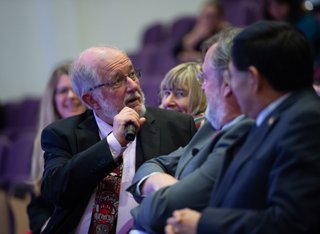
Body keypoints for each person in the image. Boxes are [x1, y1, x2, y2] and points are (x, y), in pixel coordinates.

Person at [165, 20, 320, 234]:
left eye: (230, 76)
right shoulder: (276, 116)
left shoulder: (305, 123)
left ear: (253, 78)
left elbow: (291, 222)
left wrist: (202, 223)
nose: (230, 88)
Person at [39, 46, 196, 234]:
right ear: (91, 100)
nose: (133, 86)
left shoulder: (176, 126)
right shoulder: (62, 133)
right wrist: (113, 143)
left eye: (133, 74)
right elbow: (56, 191)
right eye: (117, 81)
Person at [127, 27, 254, 234]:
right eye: (165, 93)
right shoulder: (211, 126)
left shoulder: (242, 130)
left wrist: (154, 201)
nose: (203, 87)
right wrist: (161, 184)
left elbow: (163, 209)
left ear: (227, 83)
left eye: (205, 78)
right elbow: (154, 164)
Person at [27, 63, 86, 234]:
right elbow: (37, 201)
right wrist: (46, 226)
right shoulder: (43, 141)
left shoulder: (102, 133)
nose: (71, 96)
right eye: (62, 91)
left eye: (75, 88)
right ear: (53, 99)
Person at [159, 62, 207, 128]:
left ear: (202, 97)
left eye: (180, 94)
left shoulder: (204, 127)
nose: (168, 102)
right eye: (167, 93)